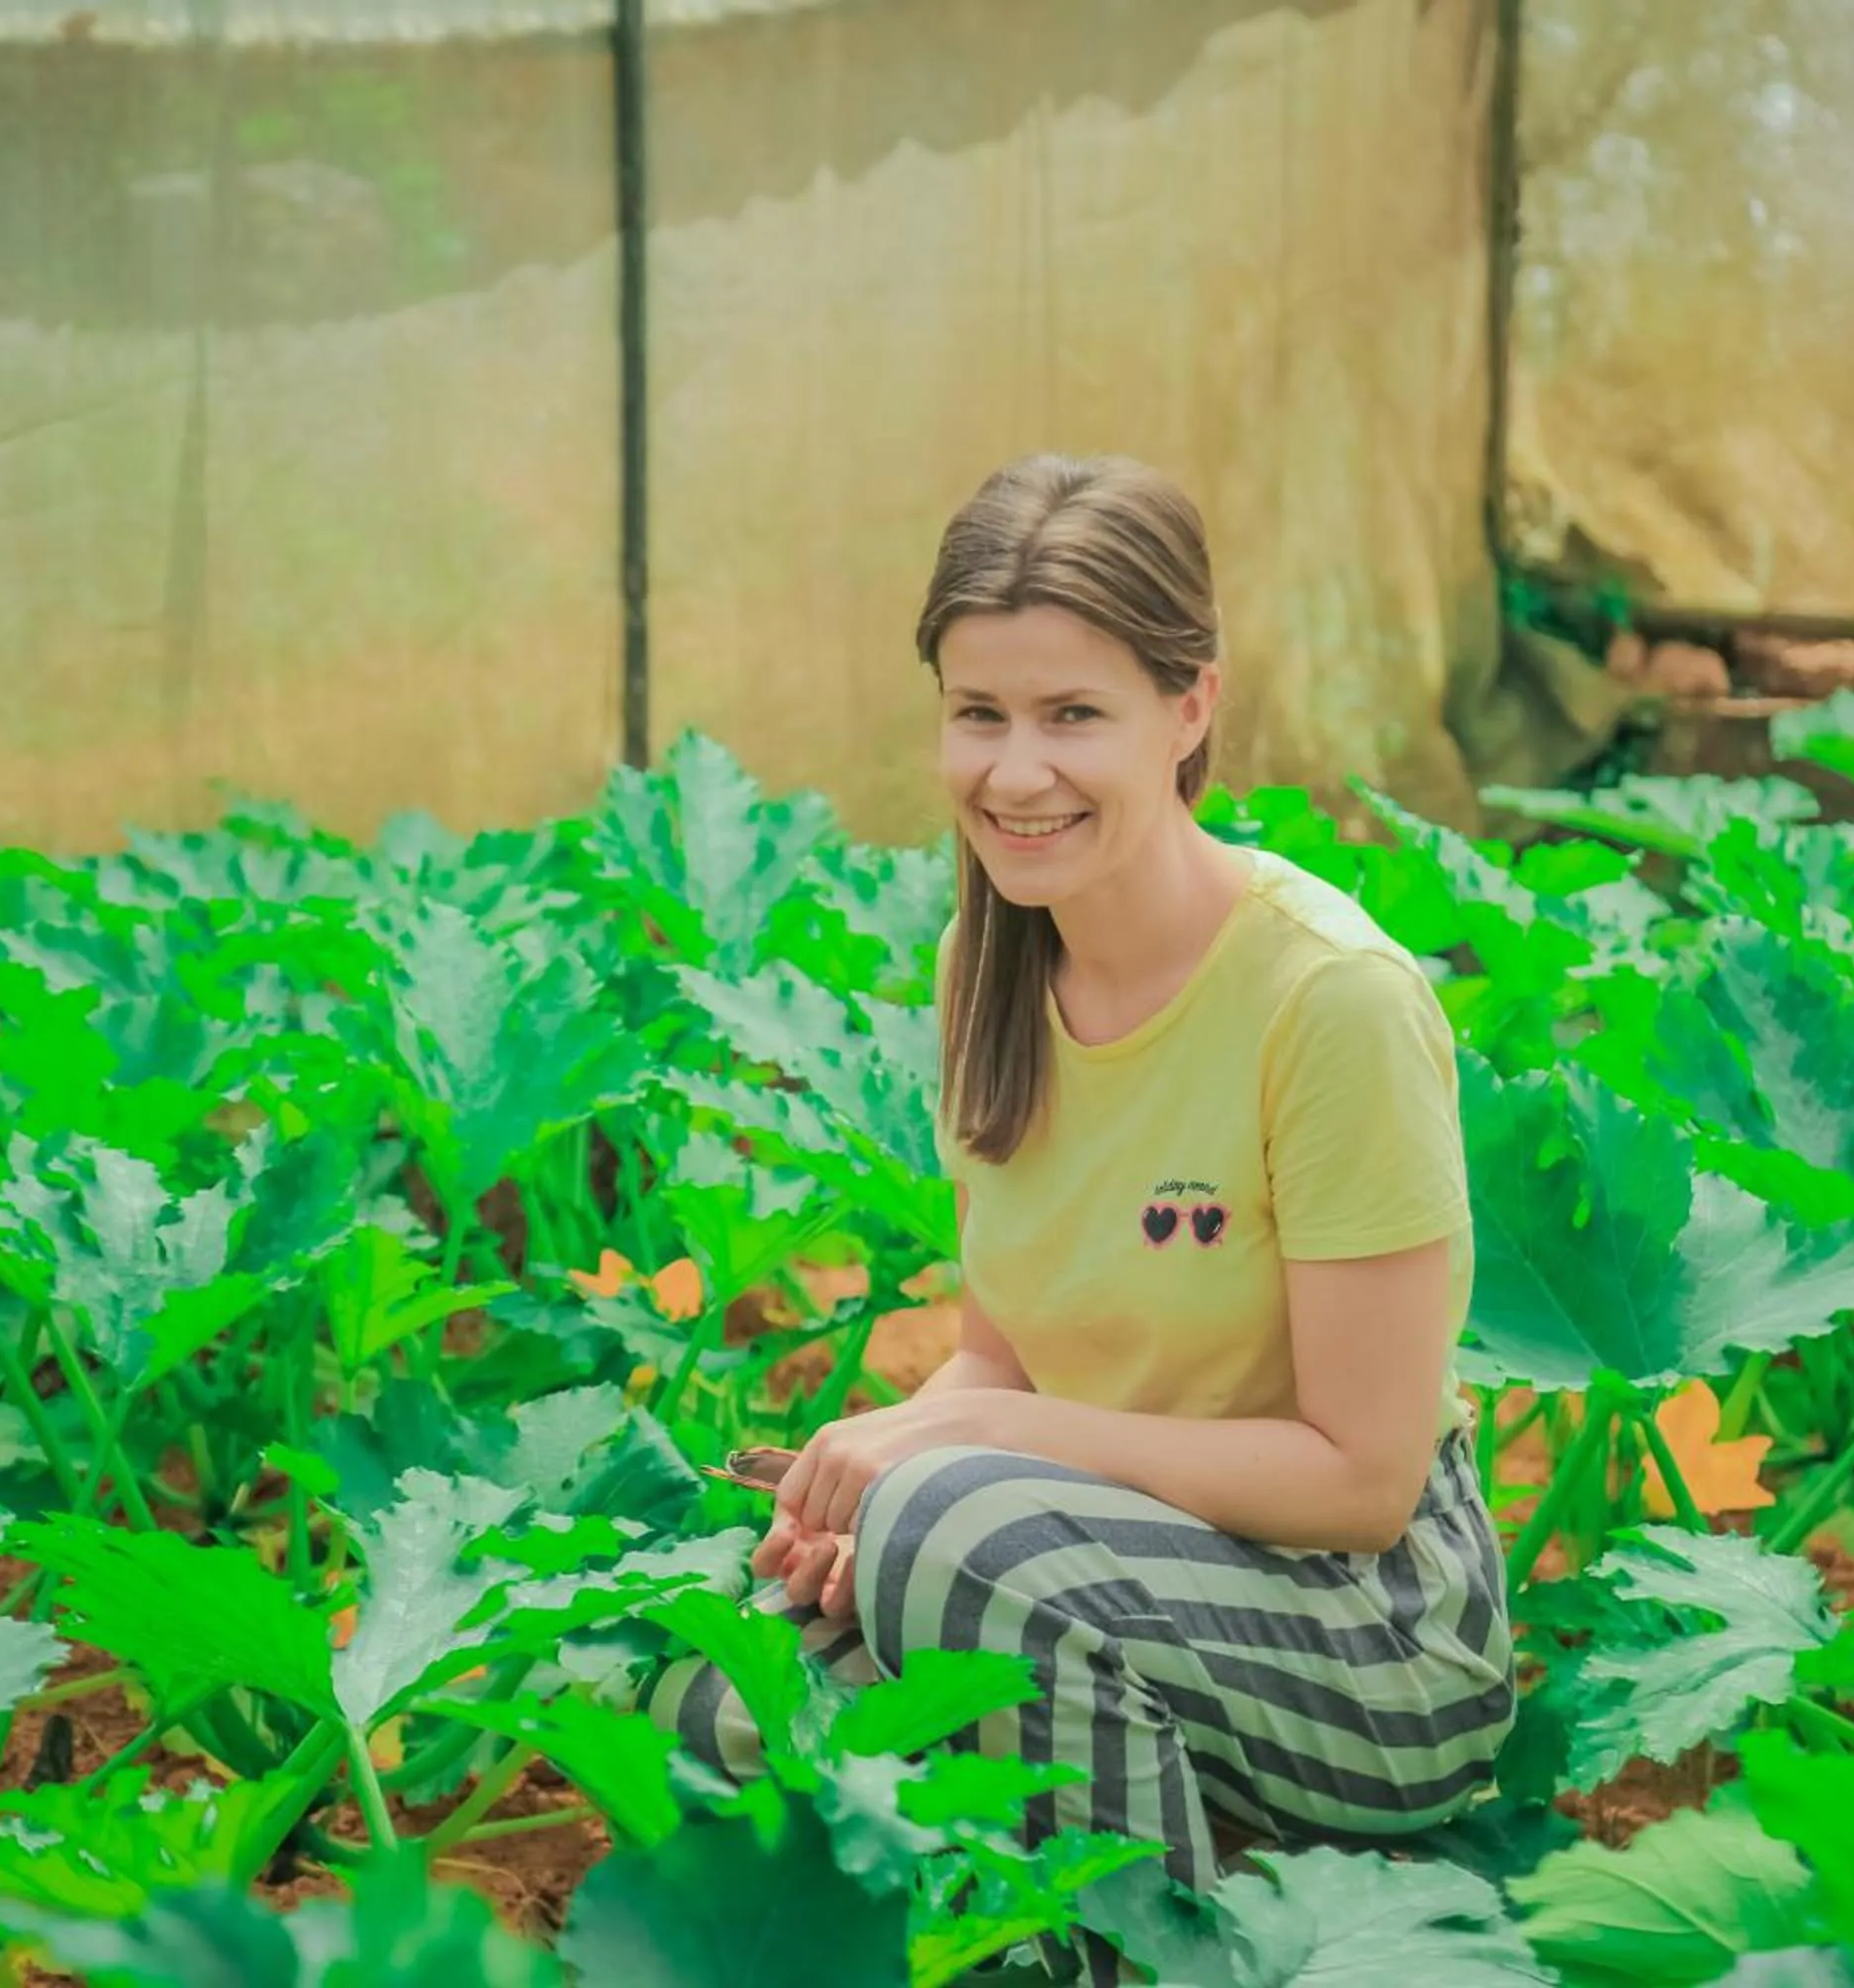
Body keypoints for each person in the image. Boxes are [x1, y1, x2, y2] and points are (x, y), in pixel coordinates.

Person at [643, 454, 1513, 1983]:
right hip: (1083, 1572)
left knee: (954, 1532)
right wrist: (863, 1480)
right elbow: (1004, 1356)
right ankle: (1039, 1920)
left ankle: (1138, 1962)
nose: (1015, 772)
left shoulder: (1330, 1003)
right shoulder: (991, 970)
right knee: (719, 1682)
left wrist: (964, 1456)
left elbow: (1362, 1481)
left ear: (1189, 708)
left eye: (1072, 715)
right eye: (979, 713)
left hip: (1369, 1645)